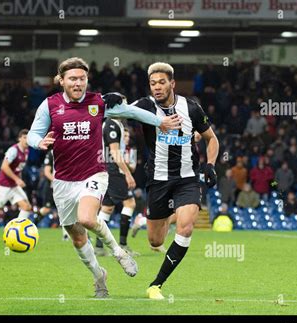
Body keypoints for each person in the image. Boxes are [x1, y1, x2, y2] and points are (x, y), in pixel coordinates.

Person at [27, 57, 181, 298]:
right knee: (78, 239)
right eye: (72, 79)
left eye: (82, 78)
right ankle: (99, 276)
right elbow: (32, 135)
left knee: (87, 219)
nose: (78, 83)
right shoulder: (50, 105)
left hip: (94, 173)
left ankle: (118, 252)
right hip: (63, 181)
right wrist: (39, 142)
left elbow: (131, 111)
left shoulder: (98, 102)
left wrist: (160, 121)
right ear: (62, 81)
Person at [129, 62, 219, 299]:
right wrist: (110, 101)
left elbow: (212, 139)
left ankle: (156, 284)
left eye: (161, 82)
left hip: (187, 178)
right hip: (157, 180)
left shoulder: (191, 108)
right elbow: (120, 112)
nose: (157, 87)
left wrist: (210, 164)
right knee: (155, 240)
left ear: (172, 83)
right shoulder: (145, 106)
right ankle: (151, 218)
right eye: (152, 83)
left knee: (186, 227)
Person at [95, 109, 138, 257]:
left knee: (107, 208)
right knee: (130, 203)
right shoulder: (111, 125)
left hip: (106, 169)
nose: (125, 107)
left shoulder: (109, 124)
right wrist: (127, 174)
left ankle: (99, 246)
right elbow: (114, 152)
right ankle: (123, 244)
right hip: (113, 170)